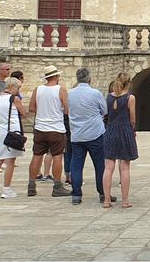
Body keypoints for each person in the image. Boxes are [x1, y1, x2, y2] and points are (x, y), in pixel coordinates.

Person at [68, 68, 111, 205]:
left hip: (77, 134)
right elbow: (104, 111)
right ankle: (103, 193)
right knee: (99, 165)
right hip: (95, 133)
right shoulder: (95, 93)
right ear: (89, 79)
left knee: (76, 164)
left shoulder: (70, 94)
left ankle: (76, 194)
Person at [27, 65, 71, 197]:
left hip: (40, 128)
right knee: (57, 156)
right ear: (56, 76)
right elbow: (67, 109)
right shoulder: (61, 90)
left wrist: (43, 111)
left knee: (37, 156)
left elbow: (31, 108)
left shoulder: (38, 89)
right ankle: (57, 186)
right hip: (56, 128)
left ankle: (31, 184)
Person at [0, 77, 26, 199]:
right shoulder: (14, 99)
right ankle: (6, 189)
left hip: (1, 130)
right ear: (13, 87)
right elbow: (23, 113)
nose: (18, 91)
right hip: (13, 130)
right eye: (17, 88)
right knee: (10, 161)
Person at [102, 72, 138, 209]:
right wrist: (132, 129)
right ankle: (125, 200)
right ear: (128, 83)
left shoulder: (109, 97)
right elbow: (133, 118)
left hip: (110, 130)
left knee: (108, 167)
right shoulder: (130, 98)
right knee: (124, 168)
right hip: (124, 130)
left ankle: (106, 200)